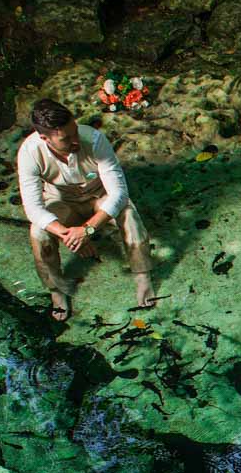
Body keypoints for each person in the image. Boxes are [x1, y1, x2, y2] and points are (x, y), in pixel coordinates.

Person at [15, 98, 155, 322]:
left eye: (75, 131)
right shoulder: (29, 153)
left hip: (98, 195)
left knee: (128, 213)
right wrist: (68, 235)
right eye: (66, 138)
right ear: (45, 138)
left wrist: (87, 231)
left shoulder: (94, 139)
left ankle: (142, 276)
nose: (75, 140)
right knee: (38, 232)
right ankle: (56, 289)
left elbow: (119, 194)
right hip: (61, 200)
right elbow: (33, 208)